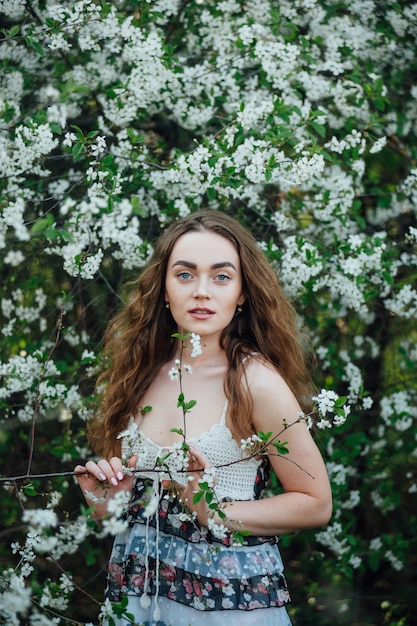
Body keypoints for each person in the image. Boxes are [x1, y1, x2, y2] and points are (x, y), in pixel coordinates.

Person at [75, 209, 332, 626]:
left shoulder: (254, 383)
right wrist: (108, 503)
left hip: (228, 608)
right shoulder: (139, 372)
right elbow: (132, 510)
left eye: (221, 276)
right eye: (185, 274)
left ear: (242, 293)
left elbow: (316, 504)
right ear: (163, 289)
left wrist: (212, 510)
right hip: (138, 601)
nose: (201, 292)